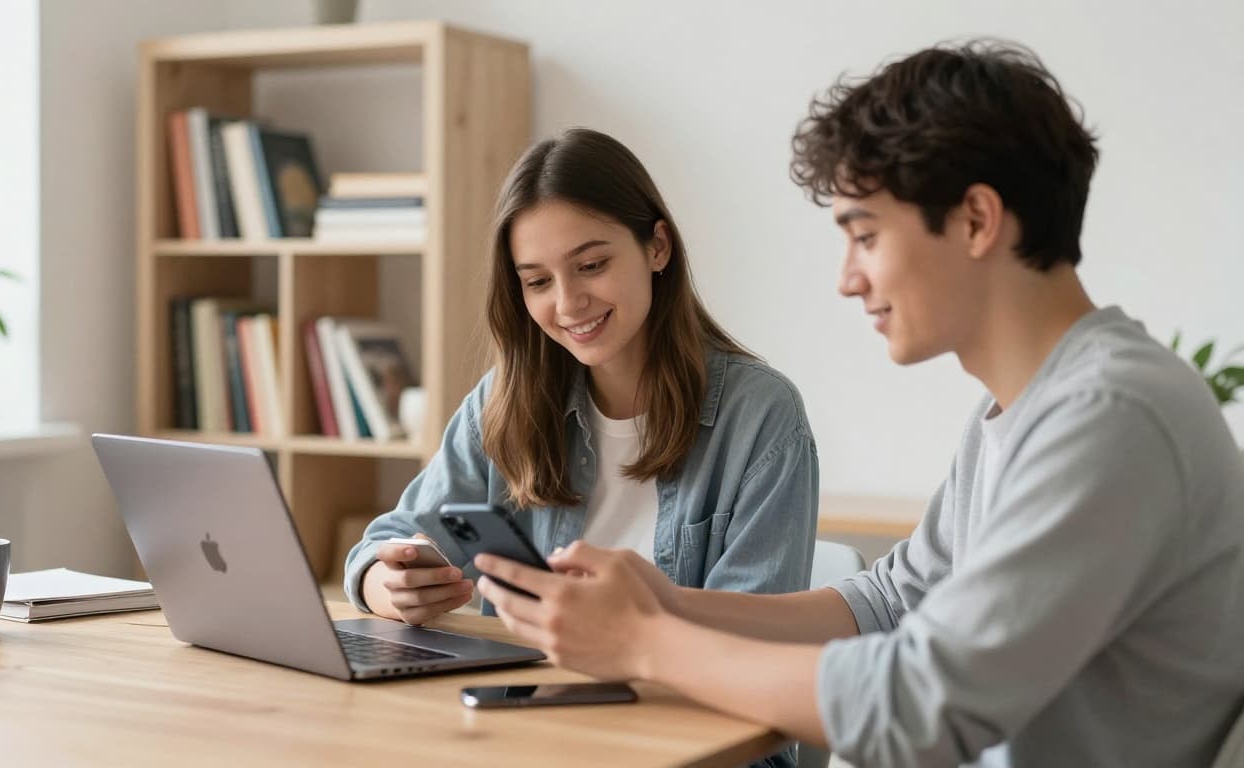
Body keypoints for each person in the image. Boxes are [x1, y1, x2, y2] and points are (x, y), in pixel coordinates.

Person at [472, 41, 1244, 767]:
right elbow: (891, 597)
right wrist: (671, 603)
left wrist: (644, 641)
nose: (848, 277)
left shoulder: (1111, 417)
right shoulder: (1020, 411)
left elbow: (919, 704)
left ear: (976, 220)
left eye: (865, 235)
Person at [343, 129, 818, 639]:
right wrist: (386, 583)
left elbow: (755, 637)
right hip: (521, 705)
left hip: (677, 712)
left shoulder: (761, 416)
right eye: (538, 281)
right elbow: (386, 542)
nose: (568, 304)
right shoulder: (505, 400)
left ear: (657, 247)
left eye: (591, 266)